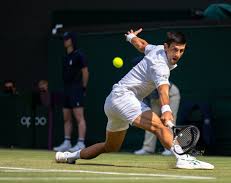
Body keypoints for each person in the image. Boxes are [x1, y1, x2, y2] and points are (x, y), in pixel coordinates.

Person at [55, 28, 214, 169]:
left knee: (110, 146)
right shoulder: (161, 66)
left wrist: (131, 37)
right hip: (123, 97)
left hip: (113, 101)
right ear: (166, 47)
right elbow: (163, 91)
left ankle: (69, 156)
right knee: (159, 126)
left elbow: (142, 46)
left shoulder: (157, 49)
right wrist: (166, 109)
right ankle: (183, 158)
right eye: (174, 50)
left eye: (181, 50)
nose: (177, 55)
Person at [53, 32, 89, 152]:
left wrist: (83, 87)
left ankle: (81, 143)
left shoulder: (79, 55)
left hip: (77, 89)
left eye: (67, 39)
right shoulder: (65, 57)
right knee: (66, 117)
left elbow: (85, 72)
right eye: (64, 39)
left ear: (72, 40)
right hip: (66, 89)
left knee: (79, 117)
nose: (65, 41)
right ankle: (67, 142)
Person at [134, 83, 181, 155]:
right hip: (155, 98)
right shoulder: (136, 88)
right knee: (150, 121)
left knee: (168, 121)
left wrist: (165, 110)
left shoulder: (151, 79)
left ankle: (171, 148)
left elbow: (163, 89)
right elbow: (143, 102)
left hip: (170, 95)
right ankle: (148, 149)